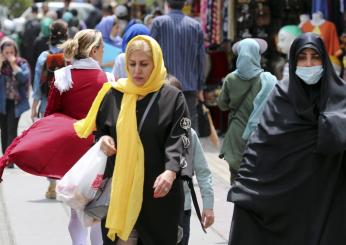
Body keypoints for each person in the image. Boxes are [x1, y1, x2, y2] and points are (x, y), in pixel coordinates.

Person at [227, 32, 346, 244]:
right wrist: (244, 188)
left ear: (324, 59)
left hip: (329, 199)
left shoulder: (340, 98)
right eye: (302, 57)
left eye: (315, 57)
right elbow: (260, 146)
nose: (309, 64)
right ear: (293, 61)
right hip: (288, 203)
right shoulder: (281, 97)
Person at [74, 35, 192, 244]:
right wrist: (103, 141)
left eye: (144, 64)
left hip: (158, 195)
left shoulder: (172, 98)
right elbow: (100, 131)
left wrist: (170, 171)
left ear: (155, 63)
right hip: (121, 194)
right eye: (132, 64)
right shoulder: (114, 94)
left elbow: (180, 139)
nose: (137, 70)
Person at [45, 29, 108, 245]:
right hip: (100, 153)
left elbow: (50, 115)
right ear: (93, 50)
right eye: (102, 48)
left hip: (70, 154)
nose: (104, 52)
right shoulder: (108, 79)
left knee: (75, 210)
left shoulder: (63, 76)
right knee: (97, 212)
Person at [217, 38, 277, 184]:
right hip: (259, 135)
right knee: (257, 178)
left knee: (236, 179)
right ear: (257, 56)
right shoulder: (267, 80)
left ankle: (238, 203)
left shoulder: (230, 79)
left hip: (236, 135)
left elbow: (222, 105)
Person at [166, 74, 214, 245]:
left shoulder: (189, 134)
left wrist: (208, 205)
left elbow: (203, 172)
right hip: (155, 208)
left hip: (182, 208)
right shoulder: (151, 133)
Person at [151, 0, 206, 130]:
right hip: (189, 85)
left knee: (165, 126)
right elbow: (201, 59)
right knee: (188, 126)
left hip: (163, 85)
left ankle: (169, 150)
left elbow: (151, 54)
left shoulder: (158, 23)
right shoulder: (195, 26)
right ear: (185, 4)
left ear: (167, 4)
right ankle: (188, 150)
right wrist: (200, 86)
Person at [31, 19, 68, 199]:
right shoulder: (69, 55)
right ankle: (65, 180)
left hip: (48, 104)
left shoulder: (43, 56)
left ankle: (51, 184)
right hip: (67, 105)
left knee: (49, 143)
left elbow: (38, 83)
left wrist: (34, 106)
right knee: (65, 143)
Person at [0, 39, 30, 167]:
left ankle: (9, 159)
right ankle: (5, 156)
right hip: (2, 102)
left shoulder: (21, 63)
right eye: (6, 52)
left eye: (11, 52)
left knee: (12, 129)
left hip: (16, 103)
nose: (9, 55)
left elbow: (24, 78)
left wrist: (13, 65)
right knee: (4, 129)